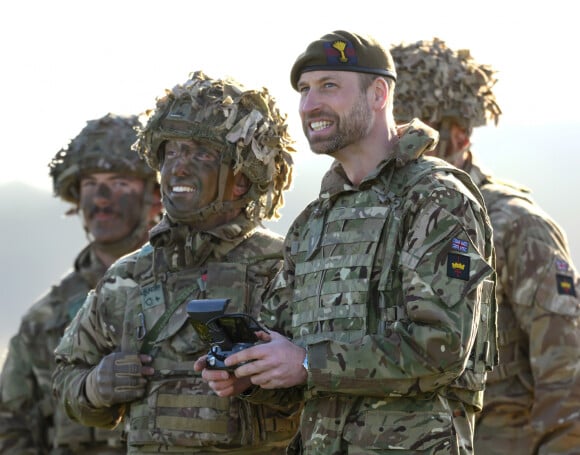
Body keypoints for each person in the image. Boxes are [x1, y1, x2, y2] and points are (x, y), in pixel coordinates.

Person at [197, 30, 497, 454]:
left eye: (329, 86)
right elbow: (297, 367)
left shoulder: (435, 198)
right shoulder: (314, 222)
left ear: (378, 93)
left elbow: (443, 349)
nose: (309, 104)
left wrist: (305, 362)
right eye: (303, 90)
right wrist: (252, 373)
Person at [52, 70, 300, 454]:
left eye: (201, 154)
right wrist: (95, 386)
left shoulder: (283, 267)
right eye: (172, 152)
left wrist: (255, 382)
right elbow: (66, 375)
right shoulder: (126, 276)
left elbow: (327, 384)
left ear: (242, 178)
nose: (179, 168)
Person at [390, 37, 580, 454]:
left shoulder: (516, 227)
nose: (402, 145)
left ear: (459, 134)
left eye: (419, 129)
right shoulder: (388, 219)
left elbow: (566, 380)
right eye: (394, 127)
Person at [0, 113, 162, 454]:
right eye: (90, 184)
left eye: (119, 182)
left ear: (156, 196)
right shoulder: (44, 322)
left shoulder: (196, 291)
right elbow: (11, 429)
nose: (102, 197)